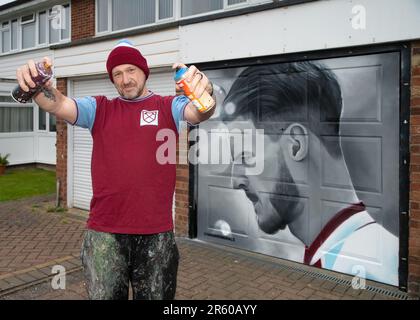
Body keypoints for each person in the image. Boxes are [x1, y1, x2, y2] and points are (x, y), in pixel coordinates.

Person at [15, 39, 216, 299]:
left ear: (145, 72)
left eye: (131, 70)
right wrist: (36, 87)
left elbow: (199, 111)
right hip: (104, 236)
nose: (125, 79)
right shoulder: (100, 108)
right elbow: (58, 104)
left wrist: (205, 92)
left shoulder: (168, 106)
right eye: (117, 74)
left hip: (156, 235)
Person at [218, 61, 399, 286]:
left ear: (295, 144)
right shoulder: (343, 255)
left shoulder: (365, 270)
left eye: (246, 157)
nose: (235, 181)